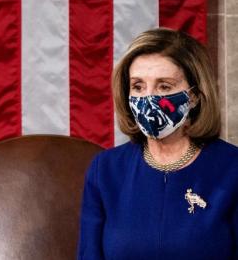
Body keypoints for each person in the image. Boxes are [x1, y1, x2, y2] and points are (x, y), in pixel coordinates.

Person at [78, 28, 238, 259]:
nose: (149, 99)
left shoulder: (232, 168)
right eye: (138, 87)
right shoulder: (105, 169)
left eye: (164, 86)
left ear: (194, 96)